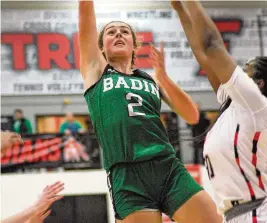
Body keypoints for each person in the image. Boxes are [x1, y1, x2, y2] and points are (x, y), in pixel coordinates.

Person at [78, 1, 221, 222]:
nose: (118, 34)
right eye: (111, 32)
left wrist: (163, 77)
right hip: (127, 174)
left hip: (167, 166)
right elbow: (85, 12)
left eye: (124, 32)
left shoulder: (151, 80)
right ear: (102, 47)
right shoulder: (96, 71)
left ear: (134, 46)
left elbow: (192, 115)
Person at [171, 0, 267, 222]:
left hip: (263, 214)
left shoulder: (257, 106)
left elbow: (212, 46)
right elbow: (203, 55)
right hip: (237, 215)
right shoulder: (234, 105)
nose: (236, 69)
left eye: (246, 70)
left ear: (259, 84)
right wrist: (180, 10)